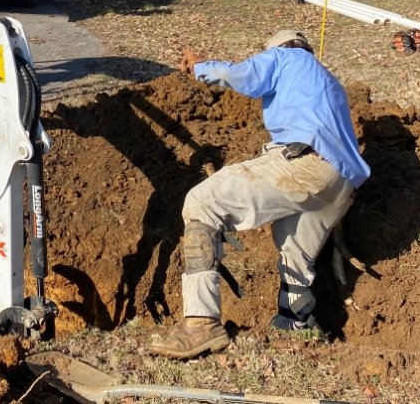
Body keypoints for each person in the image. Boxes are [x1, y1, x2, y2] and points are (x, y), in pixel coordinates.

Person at [149, 29, 370, 360]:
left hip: (305, 163)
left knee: (202, 202)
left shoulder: (286, 56)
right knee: (294, 252)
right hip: (342, 184)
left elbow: (241, 75)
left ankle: (200, 323)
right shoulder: (330, 82)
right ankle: (295, 326)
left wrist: (200, 68)